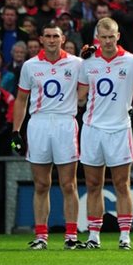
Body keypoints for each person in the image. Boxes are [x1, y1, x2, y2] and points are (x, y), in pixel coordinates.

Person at [77, 18, 133, 249]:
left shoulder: (131, 62)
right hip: (92, 129)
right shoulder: (87, 62)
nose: (107, 41)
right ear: (97, 37)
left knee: (122, 184)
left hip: (119, 129)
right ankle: (94, 236)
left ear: (118, 36)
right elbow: (78, 95)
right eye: (103, 37)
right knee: (93, 184)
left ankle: (125, 235)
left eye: (111, 37)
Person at [11, 24, 84, 250]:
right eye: (48, 36)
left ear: (63, 39)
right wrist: (16, 130)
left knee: (68, 184)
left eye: (56, 36)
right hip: (39, 123)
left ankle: (71, 236)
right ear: (41, 39)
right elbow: (22, 99)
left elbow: (90, 84)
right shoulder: (30, 66)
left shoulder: (77, 63)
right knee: (41, 184)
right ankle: (41, 236)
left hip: (65, 122)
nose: (52, 40)